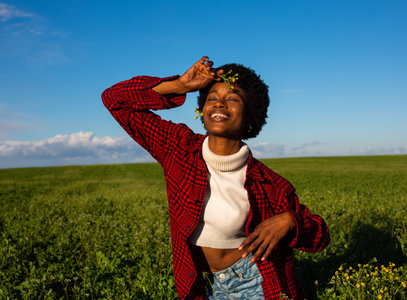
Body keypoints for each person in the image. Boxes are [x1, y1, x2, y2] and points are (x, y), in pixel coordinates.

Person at [102, 56, 330, 299]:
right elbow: (114, 99)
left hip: (254, 283)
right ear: (202, 109)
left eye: (232, 99)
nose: (219, 104)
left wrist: (290, 220)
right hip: (201, 284)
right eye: (212, 98)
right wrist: (179, 86)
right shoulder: (178, 149)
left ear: (251, 116)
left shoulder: (269, 183)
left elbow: (319, 237)